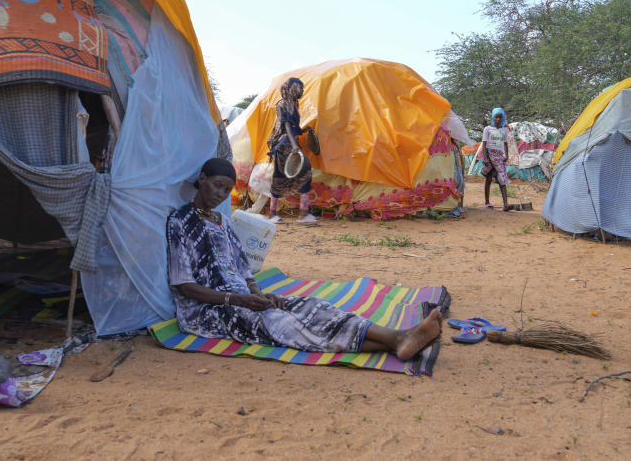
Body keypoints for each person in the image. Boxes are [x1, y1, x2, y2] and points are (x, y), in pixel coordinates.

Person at [166, 158, 442, 360]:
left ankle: (398, 340)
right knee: (282, 324)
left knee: (312, 306)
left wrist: (258, 294)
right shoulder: (180, 222)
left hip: (241, 299)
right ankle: (396, 340)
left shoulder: (223, 222)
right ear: (201, 179)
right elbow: (184, 287)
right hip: (207, 312)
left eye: (227, 190)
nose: (221, 194)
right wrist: (238, 300)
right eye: (216, 186)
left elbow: (244, 271)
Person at [265, 77, 315, 224]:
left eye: (302, 88)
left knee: (300, 174)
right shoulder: (282, 104)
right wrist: (294, 146)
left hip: (291, 142)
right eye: (299, 87)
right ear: (289, 88)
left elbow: (294, 127)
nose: (301, 90)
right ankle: (295, 214)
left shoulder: (294, 104)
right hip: (283, 143)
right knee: (284, 177)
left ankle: (299, 214)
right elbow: (286, 126)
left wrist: (304, 130)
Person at [480, 107, 515, 211]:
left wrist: (507, 155)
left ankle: (506, 204)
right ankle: (487, 202)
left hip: (499, 157)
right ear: (493, 117)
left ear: (503, 118)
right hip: (490, 155)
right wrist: (485, 158)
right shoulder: (487, 129)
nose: (498, 119)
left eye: (500, 117)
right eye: (496, 117)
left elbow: (505, 144)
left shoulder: (504, 130)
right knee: (488, 179)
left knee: (502, 180)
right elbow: (484, 144)